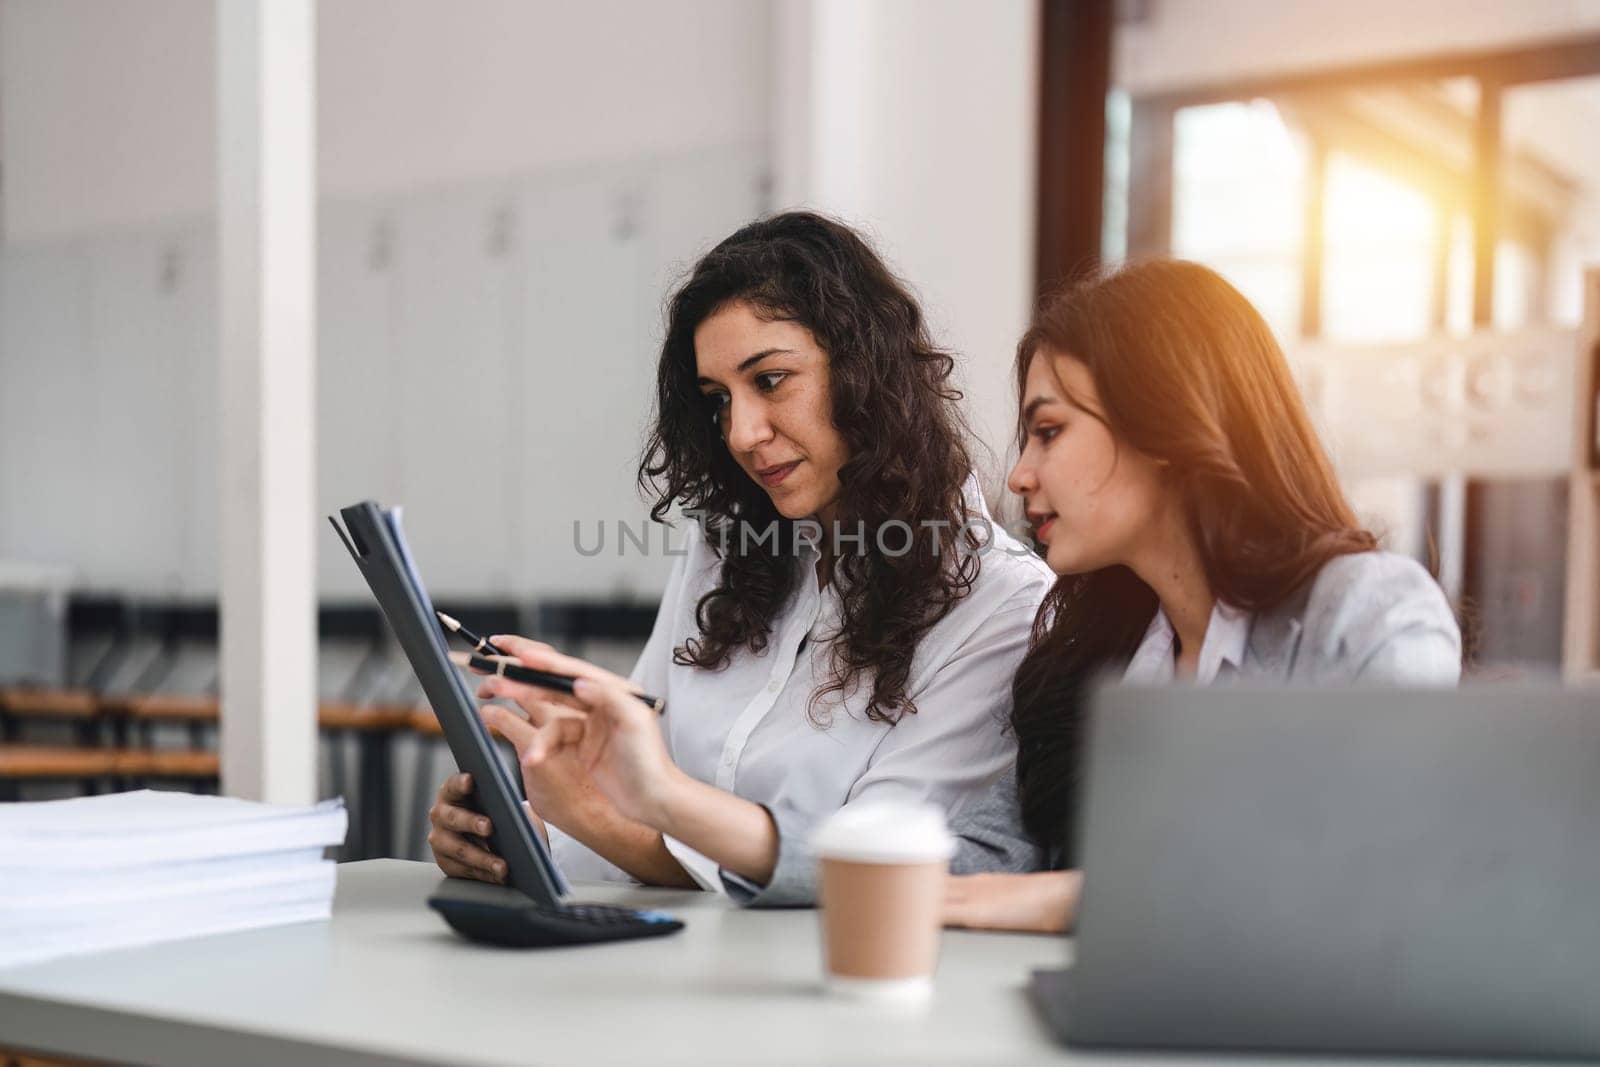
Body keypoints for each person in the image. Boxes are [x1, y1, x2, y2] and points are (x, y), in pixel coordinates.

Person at [427, 212, 1053, 905]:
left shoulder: (1000, 603)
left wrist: (597, 819)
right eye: (719, 400)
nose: (744, 433)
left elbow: (850, 871)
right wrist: (518, 833)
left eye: (773, 379)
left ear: (866, 373)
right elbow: (624, 785)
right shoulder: (726, 550)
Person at [941, 260, 1462, 934]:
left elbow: (1381, 870)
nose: (1019, 475)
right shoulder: (1086, 658)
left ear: (1163, 426)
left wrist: (1071, 898)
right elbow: (983, 862)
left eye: (1049, 431)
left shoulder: (1367, 614)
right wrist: (791, 849)